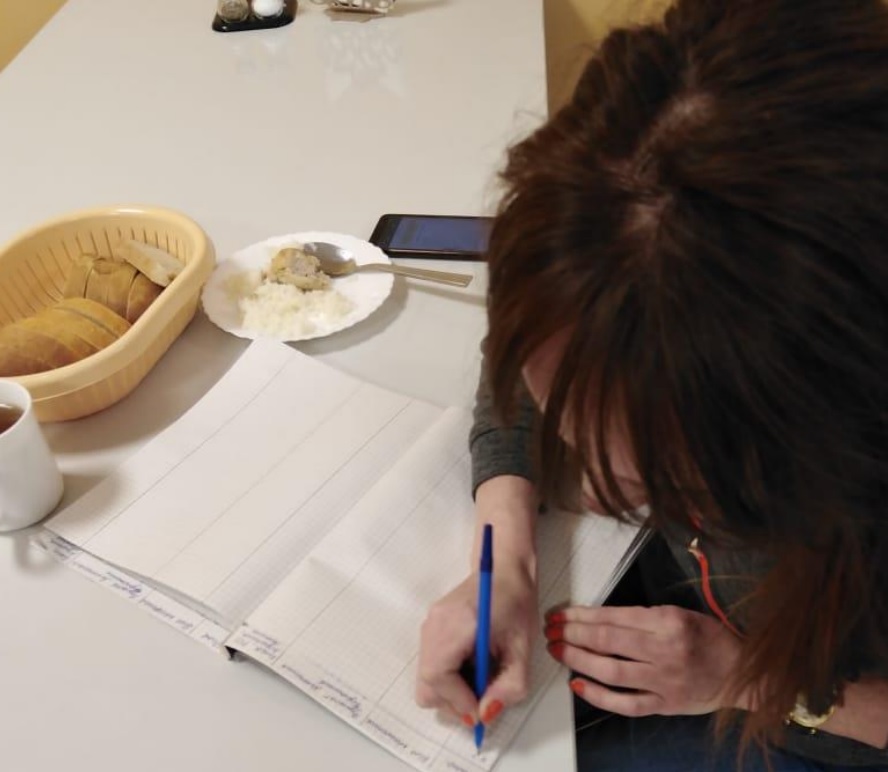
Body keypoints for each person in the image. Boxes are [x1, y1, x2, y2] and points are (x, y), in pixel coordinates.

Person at [415, 0, 888, 769]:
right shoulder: (613, 258)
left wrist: (746, 679)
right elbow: (542, 360)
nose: (599, 500)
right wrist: (506, 562)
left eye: (664, 481)